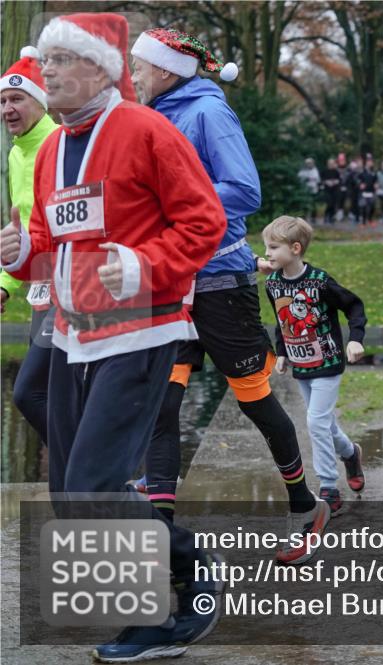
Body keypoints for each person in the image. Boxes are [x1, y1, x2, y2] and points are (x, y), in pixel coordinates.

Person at [0, 13, 226, 660]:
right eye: (45, 63)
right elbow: (50, 239)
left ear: (99, 68)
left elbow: (204, 220)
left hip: (144, 329)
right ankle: (186, 558)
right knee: (72, 492)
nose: (48, 73)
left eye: (62, 62)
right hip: (73, 335)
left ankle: (154, 620)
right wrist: (19, 255)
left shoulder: (143, 127)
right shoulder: (49, 150)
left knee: (96, 483)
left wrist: (141, 264)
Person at [130, 27, 332, 553]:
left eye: (140, 67)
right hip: (170, 282)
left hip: (220, 282)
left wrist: (171, 203)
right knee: (161, 405)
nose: (133, 76)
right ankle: (162, 527)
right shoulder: (153, 116)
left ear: (168, 70)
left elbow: (244, 190)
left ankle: (305, 506)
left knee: (255, 402)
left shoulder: (208, 112)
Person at [262, 216, 367, 512]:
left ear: (295, 248)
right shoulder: (272, 283)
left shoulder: (320, 282)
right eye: (266, 247)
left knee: (316, 422)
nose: (267, 253)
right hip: (301, 365)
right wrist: (281, 352)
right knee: (325, 424)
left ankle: (328, 485)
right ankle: (351, 454)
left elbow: (354, 305)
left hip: (329, 361)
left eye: (273, 247)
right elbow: (281, 321)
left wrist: (356, 338)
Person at [1, 46, 60, 444]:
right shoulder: (18, 154)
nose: (7, 107)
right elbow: (17, 232)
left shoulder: (58, 143)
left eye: (17, 98)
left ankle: (93, 472)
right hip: (41, 287)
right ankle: (84, 480)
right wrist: (5, 285)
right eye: (2, 100)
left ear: (40, 101)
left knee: (29, 392)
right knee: (49, 393)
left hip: (75, 285)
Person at [297, 157, 321, 224]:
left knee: (313, 204)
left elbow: (318, 180)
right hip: (305, 191)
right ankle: (303, 218)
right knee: (304, 205)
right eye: (308, 163)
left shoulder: (315, 170)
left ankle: (313, 218)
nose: (309, 164)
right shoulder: (303, 171)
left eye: (310, 163)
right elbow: (299, 179)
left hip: (313, 190)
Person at [322, 157, 343, 224]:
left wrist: (335, 182)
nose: (331, 164)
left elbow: (339, 180)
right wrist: (326, 182)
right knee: (329, 204)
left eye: (332, 163)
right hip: (327, 190)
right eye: (330, 163)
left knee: (334, 204)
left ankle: (331, 218)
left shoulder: (336, 171)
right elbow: (322, 180)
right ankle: (326, 216)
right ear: (328, 164)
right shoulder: (324, 171)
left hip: (334, 190)